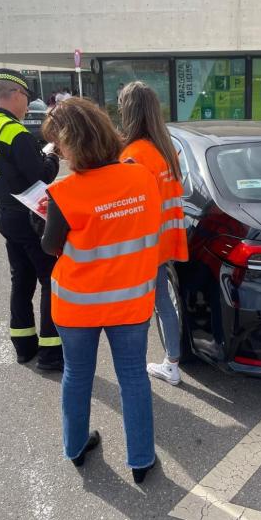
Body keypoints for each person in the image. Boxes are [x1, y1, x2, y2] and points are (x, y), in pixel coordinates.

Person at [40, 98, 161, 482]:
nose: (57, 152)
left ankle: (75, 447)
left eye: (58, 145)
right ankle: (141, 459)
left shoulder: (64, 193)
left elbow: (50, 245)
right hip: (131, 301)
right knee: (133, 377)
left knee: (78, 375)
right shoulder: (141, 176)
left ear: (70, 145)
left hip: (78, 306)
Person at [0, 68, 64, 371]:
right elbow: (41, 177)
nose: (26, 106)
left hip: (5, 215)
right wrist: (52, 155)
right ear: (17, 94)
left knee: (21, 279)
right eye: (26, 98)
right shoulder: (14, 132)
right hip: (30, 219)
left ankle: (23, 346)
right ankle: (51, 353)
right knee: (50, 280)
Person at [119, 81, 188, 386]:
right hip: (163, 243)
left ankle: (137, 374)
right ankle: (172, 362)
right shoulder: (167, 149)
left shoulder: (132, 155)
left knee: (136, 314)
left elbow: (125, 208)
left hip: (140, 249)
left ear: (128, 112)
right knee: (163, 305)